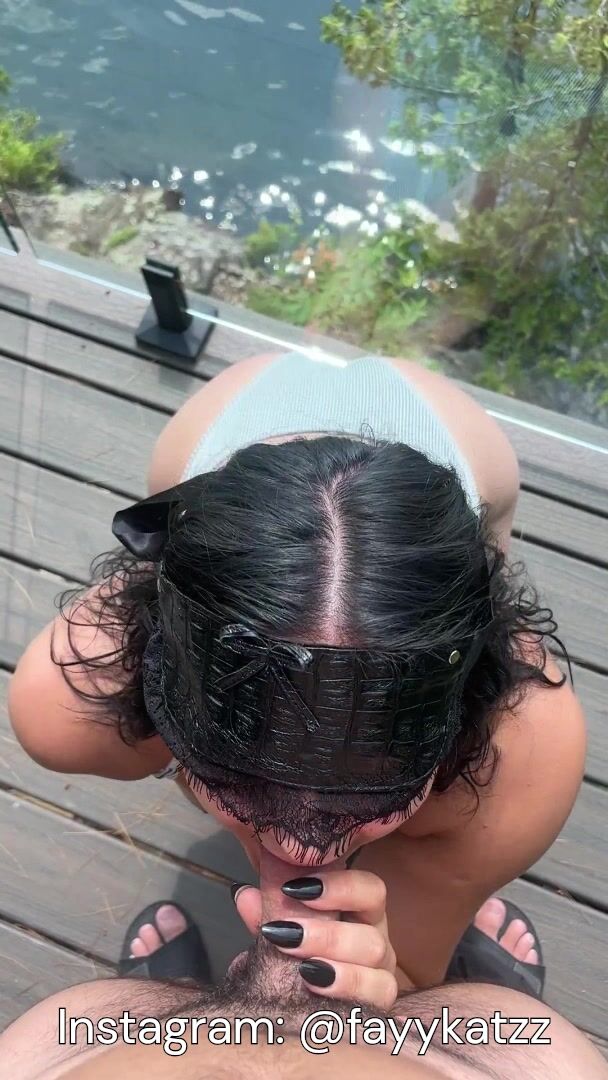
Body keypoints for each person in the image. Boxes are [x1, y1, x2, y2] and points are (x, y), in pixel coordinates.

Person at [7, 351, 586, 989]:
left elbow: (410, 971)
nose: (304, 852)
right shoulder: (63, 700)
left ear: (461, 701)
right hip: (230, 411)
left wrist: (385, 971)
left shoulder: (531, 746)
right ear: (158, 661)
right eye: (239, 782)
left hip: (457, 435)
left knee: (484, 805)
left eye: (374, 796)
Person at [1, 854, 605, 1080]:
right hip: (492, 1065)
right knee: (504, 1024)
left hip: (87, 1055)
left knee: (131, 1016)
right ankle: (476, 1003)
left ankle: (176, 1000)